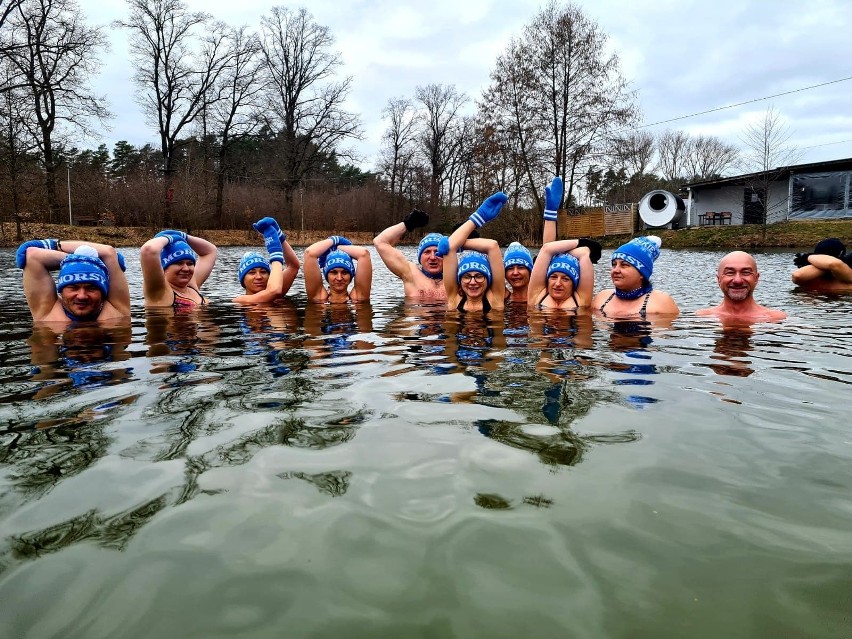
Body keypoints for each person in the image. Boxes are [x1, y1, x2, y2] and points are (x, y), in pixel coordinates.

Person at [16, 238, 130, 323]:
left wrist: (58, 247)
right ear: (61, 291)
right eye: (73, 287)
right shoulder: (48, 313)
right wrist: (72, 257)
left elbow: (108, 252)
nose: (81, 296)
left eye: (91, 288)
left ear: (103, 292)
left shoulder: (117, 312)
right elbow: (32, 256)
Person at [440, 192, 508, 313]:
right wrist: (478, 217)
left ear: (488, 279)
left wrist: (459, 245)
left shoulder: (495, 298)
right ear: (459, 280)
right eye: (466, 277)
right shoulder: (455, 299)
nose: (472, 282)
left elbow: (492, 246)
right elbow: (449, 248)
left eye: (479, 276)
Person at [593, 236, 679, 318]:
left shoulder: (661, 303)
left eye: (624, 265)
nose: (616, 270)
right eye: (614, 265)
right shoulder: (601, 299)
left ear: (642, 273)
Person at [373, 208, 446, 301]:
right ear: (420, 257)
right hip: (415, 314)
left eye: (437, 252)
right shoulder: (411, 273)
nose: (432, 257)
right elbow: (380, 242)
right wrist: (407, 224)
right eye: (427, 252)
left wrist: (466, 237)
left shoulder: (458, 277)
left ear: (445, 255)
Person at [697, 251, 786, 321]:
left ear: (756, 278)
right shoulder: (703, 318)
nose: (737, 280)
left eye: (746, 272)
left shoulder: (775, 319)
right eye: (730, 273)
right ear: (718, 279)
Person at [141, 229, 217, 309]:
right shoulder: (160, 292)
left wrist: (183, 236)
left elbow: (211, 251)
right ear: (165, 268)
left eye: (190, 263)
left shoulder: (192, 286)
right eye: (179, 263)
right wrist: (169, 237)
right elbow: (148, 250)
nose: (186, 269)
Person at [233, 216, 300, 304]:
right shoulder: (240, 300)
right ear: (243, 279)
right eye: (252, 272)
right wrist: (275, 253)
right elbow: (273, 291)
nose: (259, 277)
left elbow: (293, 266)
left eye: (263, 272)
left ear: (270, 276)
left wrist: (280, 237)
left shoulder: (277, 289)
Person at [527, 239, 598, 309]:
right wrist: (581, 242)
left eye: (565, 279)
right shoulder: (536, 296)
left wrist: (560, 253)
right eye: (553, 277)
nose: (558, 284)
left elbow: (584, 252)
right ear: (547, 280)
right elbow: (546, 249)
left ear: (573, 283)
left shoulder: (581, 301)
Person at [304, 235, 372, 303]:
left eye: (344, 272)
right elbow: (309, 253)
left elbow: (364, 253)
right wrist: (334, 240)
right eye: (334, 272)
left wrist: (338, 247)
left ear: (351, 275)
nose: (339, 278)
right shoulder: (318, 296)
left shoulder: (358, 297)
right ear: (326, 275)